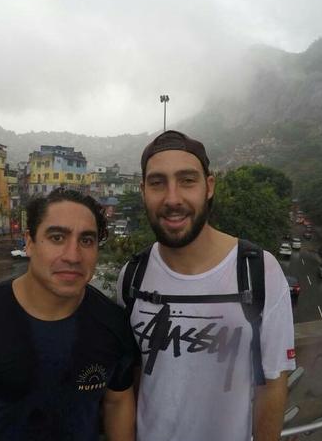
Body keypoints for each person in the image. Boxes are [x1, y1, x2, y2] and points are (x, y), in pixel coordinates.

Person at [117, 130, 296, 441]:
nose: (172, 199)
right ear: (143, 190)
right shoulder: (132, 277)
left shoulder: (258, 271)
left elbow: (273, 385)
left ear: (208, 186)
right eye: (157, 183)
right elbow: (131, 380)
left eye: (187, 180)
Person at [0, 188, 137, 441]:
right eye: (57, 238)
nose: (73, 256)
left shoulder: (113, 324)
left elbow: (117, 403)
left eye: (86, 240)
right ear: (29, 243)